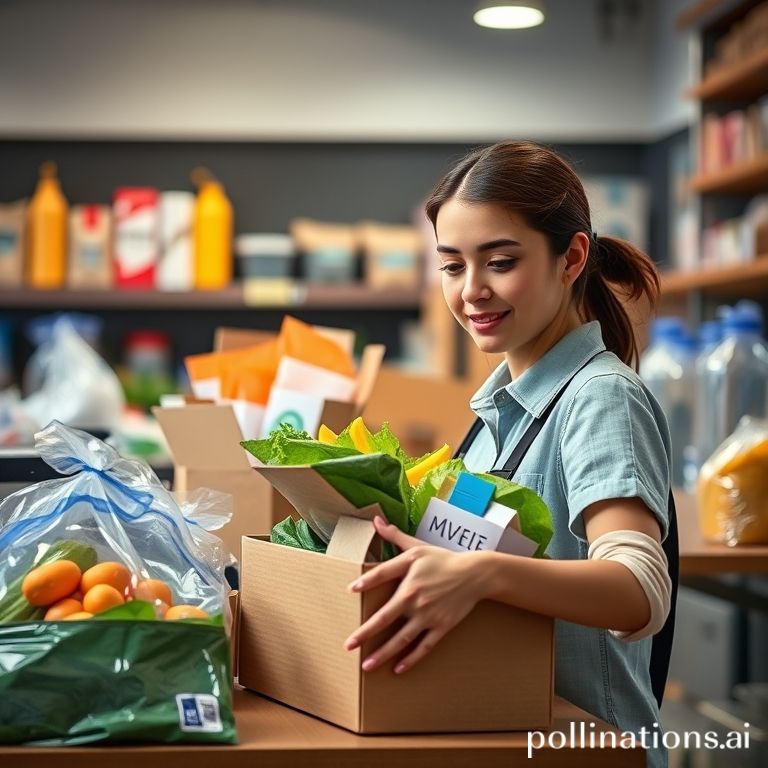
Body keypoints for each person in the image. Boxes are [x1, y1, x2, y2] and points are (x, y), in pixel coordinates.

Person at [344, 141, 673, 768]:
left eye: (499, 262)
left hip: (588, 749)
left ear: (571, 258)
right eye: (451, 266)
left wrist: (483, 573)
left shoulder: (600, 397)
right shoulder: (493, 416)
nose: (472, 291)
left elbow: (638, 589)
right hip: (504, 734)